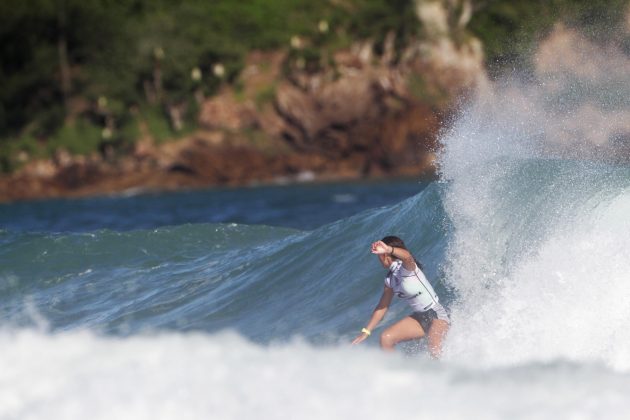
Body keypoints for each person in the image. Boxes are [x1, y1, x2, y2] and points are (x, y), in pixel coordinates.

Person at [352, 236, 450, 358]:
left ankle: (448, 375)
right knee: (386, 338)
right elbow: (382, 306)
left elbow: (407, 257)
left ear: (385, 255)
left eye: (379, 255)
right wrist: (366, 332)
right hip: (419, 318)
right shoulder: (390, 278)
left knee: (434, 349)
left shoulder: (406, 268)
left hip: (437, 314)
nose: (378, 258)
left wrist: (388, 249)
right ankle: (400, 375)